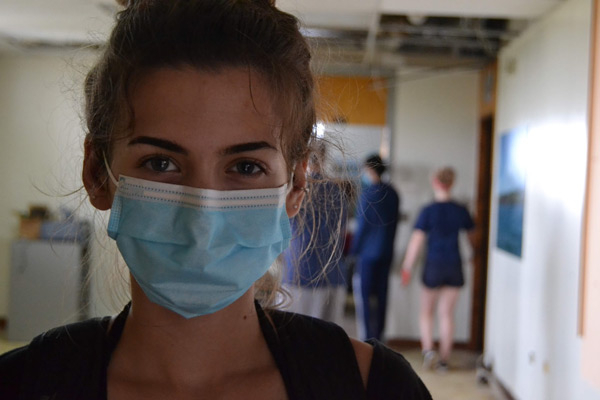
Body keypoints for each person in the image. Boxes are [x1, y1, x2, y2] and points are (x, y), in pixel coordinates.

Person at [0, 1, 432, 399]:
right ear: (98, 174)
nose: (201, 217)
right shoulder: (22, 385)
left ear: (296, 185)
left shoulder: (375, 389)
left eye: (245, 167)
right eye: (160, 163)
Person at [401, 167, 474, 372]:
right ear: (452, 183)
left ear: (435, 182)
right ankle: (444, 361)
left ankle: (428, 350)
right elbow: (472, 237)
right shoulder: (461, 210)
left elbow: (416, 241)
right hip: (454, 265)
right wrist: (475, 256)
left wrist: (407, 268)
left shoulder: (428, 211)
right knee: (446, 314)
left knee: (426, 312)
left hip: (433, 265)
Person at [281, 144, 349, 325]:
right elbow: (340, 232)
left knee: (293, 337)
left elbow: (281, 231)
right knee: (326, 341)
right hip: (333, 275)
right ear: (325, 159)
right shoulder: (337, 192)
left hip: (299, 273)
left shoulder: (295, 190)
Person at [350, 154, 400, 341]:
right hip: (386, 252)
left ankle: (367, 339)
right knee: (381, 297)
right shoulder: (394, 193)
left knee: (364, 300)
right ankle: (379, 336)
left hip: (367, 255)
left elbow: (362, 227)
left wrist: (353, 252)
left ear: (370, 170)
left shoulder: (368, 194)